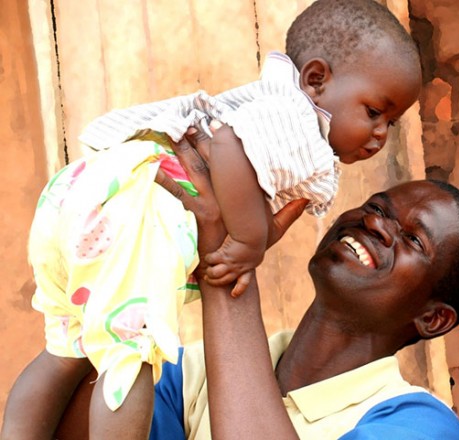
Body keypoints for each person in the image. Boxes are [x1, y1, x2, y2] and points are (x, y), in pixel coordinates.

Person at [0, 1, 422, 438]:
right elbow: (226, 148)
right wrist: (246, 241)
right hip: (133, 215)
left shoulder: (273, 103)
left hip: (82, 198)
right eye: (374, 112)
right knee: (132, 355)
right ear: (315, 80)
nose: (379, 135)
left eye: (391, 123)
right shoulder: (296, 118)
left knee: (66, 348)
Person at [53, 131, 459, 439]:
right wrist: (122, 265)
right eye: (377, 206)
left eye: (413, 240)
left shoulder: (420, 425)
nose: (377, 224)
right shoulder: (193, 370)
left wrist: (225, 260)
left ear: (433, 318)